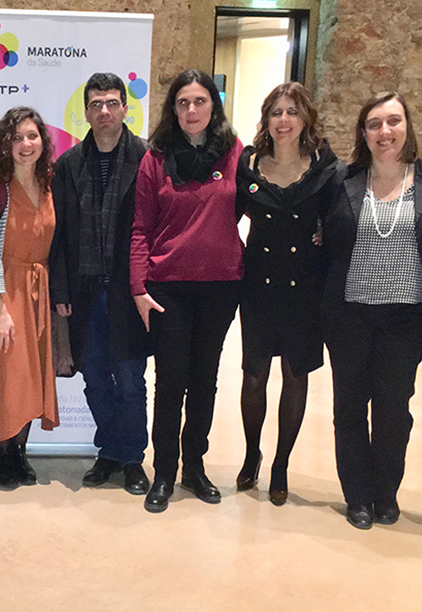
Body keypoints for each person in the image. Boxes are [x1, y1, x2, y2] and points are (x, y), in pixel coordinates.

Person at [321, 91, 422, 530]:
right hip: (349, 314)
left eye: (393, 121)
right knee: (349, 408)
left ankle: (385, 493)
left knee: (394, 410)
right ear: (363, 133)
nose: (385, 131)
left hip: (405, 317)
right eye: (375, 124)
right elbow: (323, 236)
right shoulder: (342, 180)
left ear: (407, 126)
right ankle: (357, 497)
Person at [130, 69, 245, 513]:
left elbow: (264, 202)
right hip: (168, 289)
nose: (192, 110)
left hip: (220, 286)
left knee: (204, 381)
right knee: (170, 382)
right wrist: (138, 286)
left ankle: (194, 468)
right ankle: (163, 472)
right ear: (172, 109)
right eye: (183, 103)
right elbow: (140, 228)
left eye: (200, 101)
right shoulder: (155, 159)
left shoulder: (235, 154)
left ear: (214, 105)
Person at [235, 82, 340, 505]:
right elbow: (222, 215)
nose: (284, 120)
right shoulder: (248, 165)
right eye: (276, 112)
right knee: (254, 375)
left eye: (292, 112)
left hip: (305, 286)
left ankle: (281, 463)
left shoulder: (326, 169)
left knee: (295, 376)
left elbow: (341, 218)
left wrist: (325, 234)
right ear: (267, 119)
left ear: (306, 119)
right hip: (258, 283)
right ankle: (251, 454)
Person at [49, 73, 151, 495]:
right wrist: (60, 292)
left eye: (112, 102)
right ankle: (110, 451)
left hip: (130, 292)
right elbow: (58, 236)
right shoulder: (69, 164)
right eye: (96, 104)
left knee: (130, 380)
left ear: (125, 108)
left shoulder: (147, 159)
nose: (104, 111)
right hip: (84, 293)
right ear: (86, 113)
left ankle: (132, 459)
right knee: (94, 379)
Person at [0, 106, 59, 488]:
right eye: (17, 137)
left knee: (32, 377)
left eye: (32, 136)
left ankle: (19, 451)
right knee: (8, 376)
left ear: (43, 142)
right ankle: (3, 454)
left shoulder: (49, 186)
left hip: (39, 293)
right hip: (5, 295)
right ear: (5, 143)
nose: (25, 144)